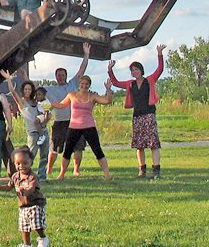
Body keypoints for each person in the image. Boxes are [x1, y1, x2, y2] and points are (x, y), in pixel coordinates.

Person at [108, 43, 167, 179]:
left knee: (153, 143)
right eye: (132, 70)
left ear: (141, 70)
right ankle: (142, 170)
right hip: (137, 116)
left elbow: (160, 69)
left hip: (149, 114)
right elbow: (116, 82)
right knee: (139, 145)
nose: (134, 72)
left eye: (136, 69)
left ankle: (156, 170)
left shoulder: (150, 80)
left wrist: (159, 53)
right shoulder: (130, 84)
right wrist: (110, 70)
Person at [0, 146, 49, 247]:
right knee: (24, 226)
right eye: (18, 163)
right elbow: (8, 187)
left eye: (25, 163)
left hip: (35, 204)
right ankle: (27, 245)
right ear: (14, 163)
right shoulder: (15, 176)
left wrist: (25, 191)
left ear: (31, 162)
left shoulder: (32, 177)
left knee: (36, 224)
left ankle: (43, 238)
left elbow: (31, 188)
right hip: (23, 205)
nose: (21, 166)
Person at [51, 75, 113, 180]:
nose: (84, 86)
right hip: (74, 127)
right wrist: (49, 104)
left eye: (86, 84)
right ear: (79, 85)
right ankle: (61, 174)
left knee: (97, 150)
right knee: (67, 151)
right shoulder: (71, 95)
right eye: (82, 84)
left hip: (89, 126)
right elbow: (61, 105)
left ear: (89, 85)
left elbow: (107, 101)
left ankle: (107, 174)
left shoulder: (92, 96)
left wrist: (108, 89)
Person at [44, 43, 90, 177]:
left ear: (66, 75)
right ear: (56, 77)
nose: (60, 77)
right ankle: (49, 169)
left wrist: (86, 54)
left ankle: (76, 170)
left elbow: (82, 70)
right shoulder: (51, 89)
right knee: (54, 148)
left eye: (62, 75)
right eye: (58, 75)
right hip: (60, 122)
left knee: (78, 147)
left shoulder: (73, 84)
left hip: (75, 121)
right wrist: (22, 75)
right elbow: (33, 89)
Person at [1, 70, 50, 181]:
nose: (27, 91)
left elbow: (44, 110)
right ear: (23, 91)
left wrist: (26, 77)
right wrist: (9, 79)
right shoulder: (22, 103)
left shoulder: (36, 101)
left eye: (29, 89)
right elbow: (12, 91)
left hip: (43, 130)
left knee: (44, 155)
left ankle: (42, 176)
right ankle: (25, 175)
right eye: (25, 89)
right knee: (29, 155)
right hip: (32, 133)